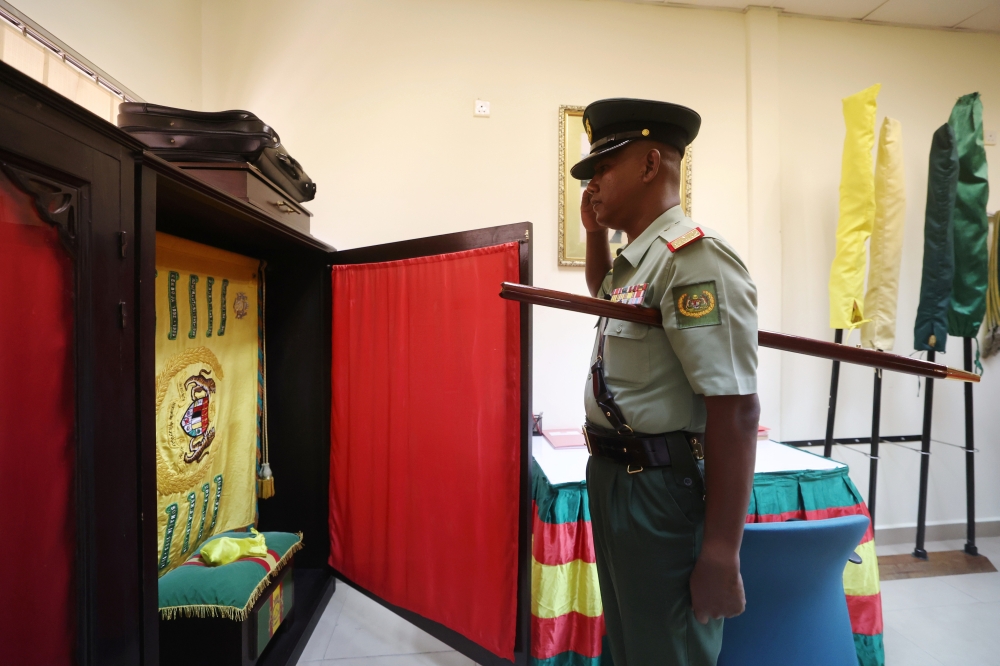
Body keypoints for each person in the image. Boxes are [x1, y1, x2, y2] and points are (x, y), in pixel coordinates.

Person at [574, 98, 760, 666]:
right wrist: (593, 235)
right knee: (634, 644)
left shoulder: (694, 258)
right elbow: (607, 297)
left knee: (668, 651)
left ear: (651, 165)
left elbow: (737, 409)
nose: (593, 183)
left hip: (658, 486)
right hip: (617, 478)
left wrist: (722, 553)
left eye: (604, 167)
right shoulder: (641, 258)